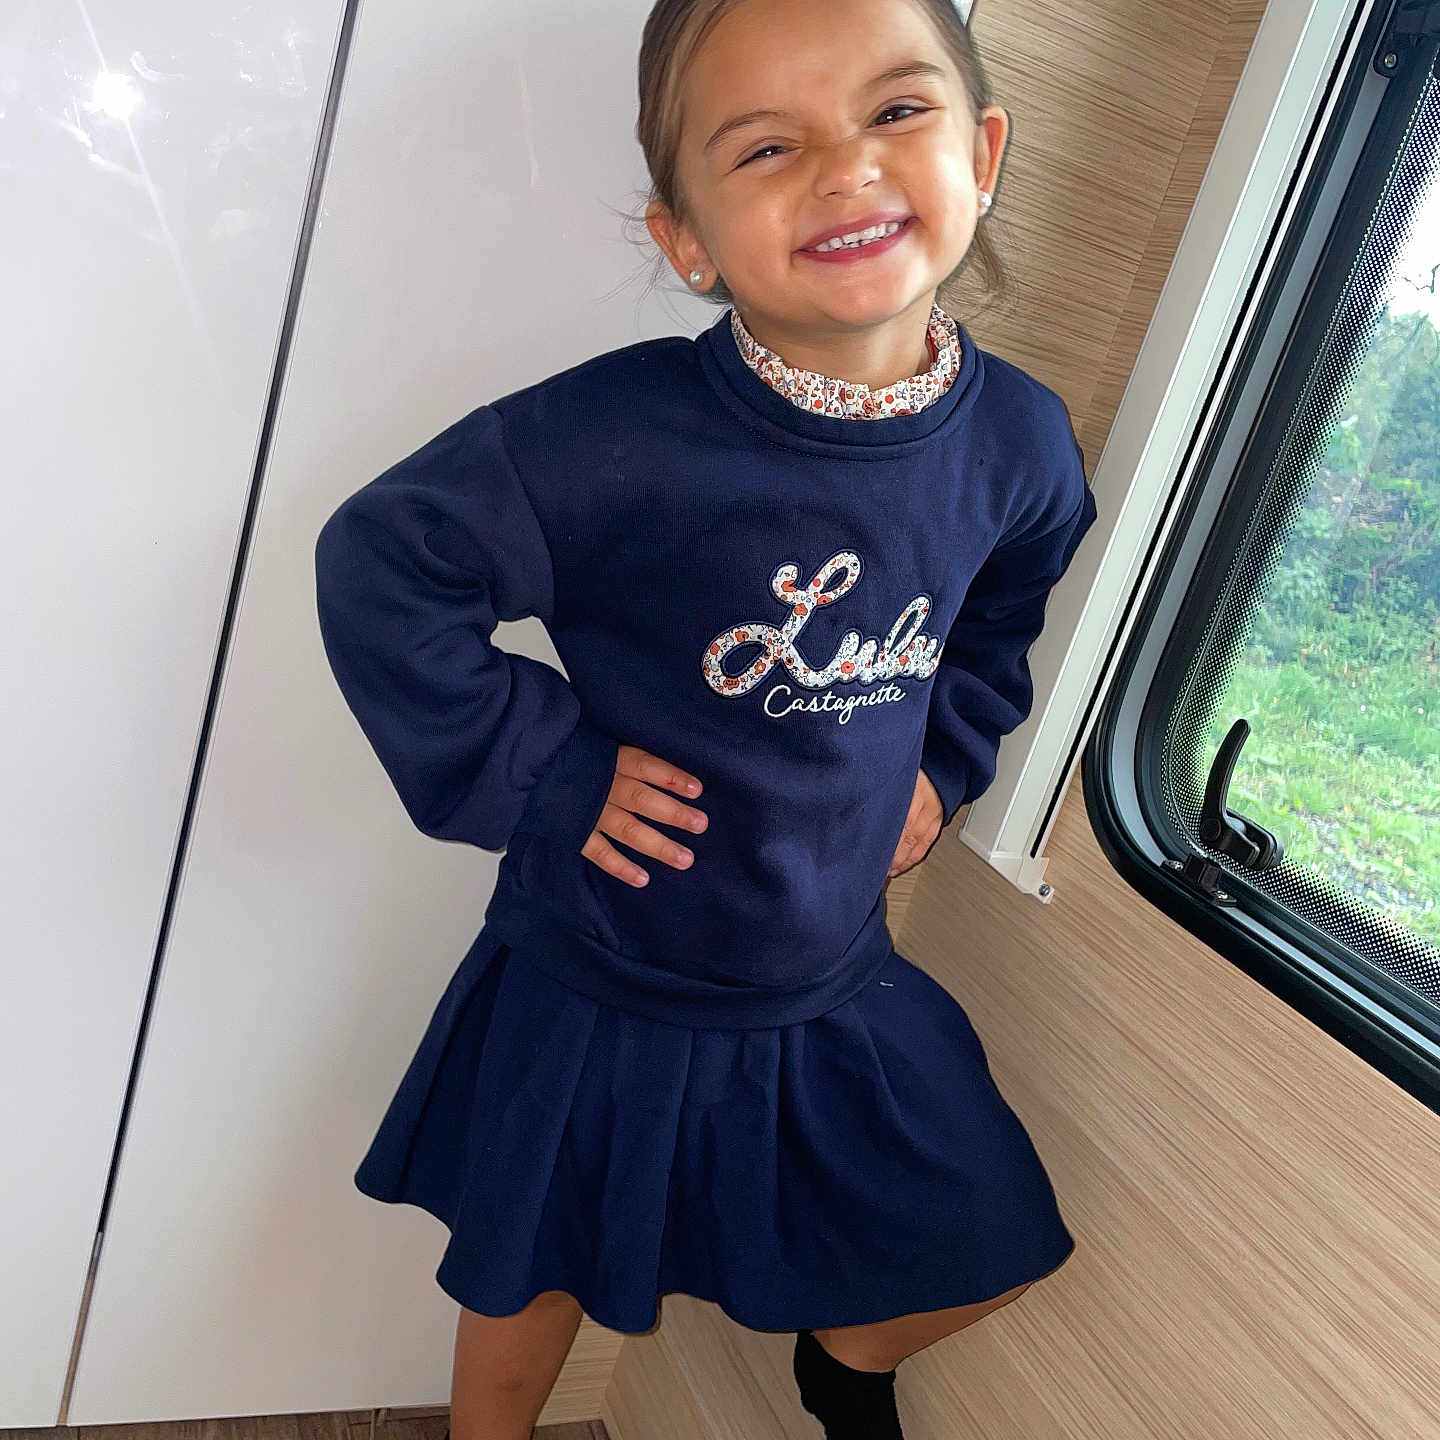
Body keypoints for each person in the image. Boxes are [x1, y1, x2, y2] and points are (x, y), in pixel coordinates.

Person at [313, 0, 1100, 1435]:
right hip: (602, 965)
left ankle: (842, 1361)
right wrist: (546, 774)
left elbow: (999, 616)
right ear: (686, 238)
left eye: (896, 112)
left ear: (984, 150)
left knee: (989, 1224)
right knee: (524, 1276)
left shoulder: (1022, 443)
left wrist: (946, 759)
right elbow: (384, 564)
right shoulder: (613, 439)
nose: (847, 168)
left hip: (823, 976)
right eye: (769, 145)